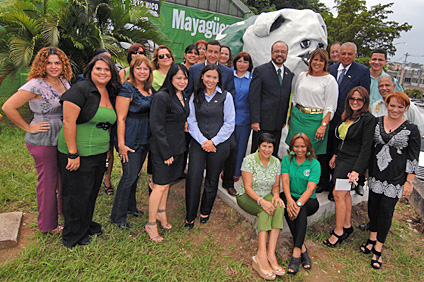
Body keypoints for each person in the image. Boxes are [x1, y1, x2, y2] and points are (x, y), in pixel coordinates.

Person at [2, 47, 72, 234]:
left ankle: (63, 212)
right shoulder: (34, 85)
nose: (53, 66)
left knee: (62, 178)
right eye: (48, 63)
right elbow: (8, 106)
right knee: (48, 182)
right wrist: (28, 127)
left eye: (57, 62)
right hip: (43, 137)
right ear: (42, 64)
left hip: (62, 136)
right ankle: (48, 225)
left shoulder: (64, 82)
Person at [57, 54, 121, 248]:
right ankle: (72, 235)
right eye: (98, 69)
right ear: (90, 71)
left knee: (91, 191)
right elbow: (68, 122)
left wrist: (108, 152)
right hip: (79, 151)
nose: (102, 73)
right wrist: (73, 153)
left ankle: (85, 225)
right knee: (75, 193)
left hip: (99, 151)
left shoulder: (109, 92)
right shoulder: (80, 90)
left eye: (106, 69)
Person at [362, 91, 420, 269]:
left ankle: (378, 247)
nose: (395, 109)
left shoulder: (412, 129)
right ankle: (372, 237)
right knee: (373, 206)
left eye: (400, 107)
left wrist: (409, 181)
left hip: (395, 177)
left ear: (406, 108)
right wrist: (365, 169)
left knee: (386, 211)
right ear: (386, 105)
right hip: (376, 173)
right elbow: (369, 148)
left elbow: (413, 157)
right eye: (392, 105)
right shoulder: (377, 122)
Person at [323, 86, 375, 247]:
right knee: (344, 195)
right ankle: (346, 226)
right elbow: (343, 139)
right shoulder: (348, 116)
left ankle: (338, 232)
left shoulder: (368, 119)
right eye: (352, 98)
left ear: (365, 101)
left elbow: (366, 148)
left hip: (352, 163)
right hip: (342, 159)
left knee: (338, 194)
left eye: (359, 99)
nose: (355, 102)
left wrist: (356, 171)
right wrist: (336, 154)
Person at [185, 64, 235, 229]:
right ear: (202, 77)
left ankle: (205, 210)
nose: (211, 80)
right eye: (208, 76)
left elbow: (229, 123)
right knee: (193, 177)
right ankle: (190, 215)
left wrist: (213, 142)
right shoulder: (194, 96)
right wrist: (203, 142)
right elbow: (191, 121)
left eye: (214, 77)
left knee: (212, 179)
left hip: (218, 145)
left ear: (219, 79)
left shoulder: (226, 97)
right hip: (199, 144)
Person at [146, 63, 190, 241]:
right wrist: (166, 153)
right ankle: (150, 224)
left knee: (166, 184)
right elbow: (156, 126)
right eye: (178, 78)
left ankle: (161, 214)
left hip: (178, 147)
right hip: (162, 149)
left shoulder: (183, 95)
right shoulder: (162, 97)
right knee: (160, 185)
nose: (182, 81)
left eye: (185, 78)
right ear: (170, 78)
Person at [186, 40, 236, 194]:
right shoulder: (194, 70)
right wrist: (186, 120)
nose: (214, 55)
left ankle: (227, 181)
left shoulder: (227, 72)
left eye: (217, 52)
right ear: (205, 52)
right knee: (193, 159)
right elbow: (187, 94)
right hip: (196, 121)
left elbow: (230, 95)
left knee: (232, 146)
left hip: (218, 122)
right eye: (211, 51)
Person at [285, 48, 338, 194]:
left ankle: (309, 184)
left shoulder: (329, 80)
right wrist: (290, 116)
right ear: (310, 61)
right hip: (297, 117)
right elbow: (294, 97)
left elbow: (330, 106)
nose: (317, 63)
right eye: (315, 59)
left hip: (316, 121)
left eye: (321, 60)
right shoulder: (303, 76)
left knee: (311, 153)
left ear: (325, 63)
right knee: (294, 149)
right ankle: (291, 180)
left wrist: (323, 125)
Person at [110, 55, 153, 230]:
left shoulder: (149, 89)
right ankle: (117, 216)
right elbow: (120, 118)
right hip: (129, 136)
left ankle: (130, 206)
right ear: (132, 70)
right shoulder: (127, 88)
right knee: (128, 176)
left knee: (135, 174)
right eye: (138, 68)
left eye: (145, 69)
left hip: (144, 135)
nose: (142, 72)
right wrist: (121, 143)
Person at [325, 42, 371, 200]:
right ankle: (325, 182)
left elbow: (364, 97)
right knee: (328, 152)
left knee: (342, 157)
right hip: (330, 119)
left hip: (349, 122)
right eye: (343, 53)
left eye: (349, 54)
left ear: (355, 55)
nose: (345, 56)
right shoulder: (330, 69)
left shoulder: (362, 71)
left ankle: (336, 188)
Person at [237, 133, 285, 280]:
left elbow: (276, 186)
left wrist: (276, 196)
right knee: (265, 212)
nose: (267, 149)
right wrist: (262, 202)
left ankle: (271, 254)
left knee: (279, 207)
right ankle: (261, 256)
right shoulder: (249, 160)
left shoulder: (276, 162)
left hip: (267, 194)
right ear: (259, 146)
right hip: (248, 196)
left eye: (270, 146)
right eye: (264, 146)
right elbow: (248, 187)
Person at [281, 133, 320, 275]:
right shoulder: (286, 160)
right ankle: (301, 247)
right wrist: (290, 200)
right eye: (296, 146)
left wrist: (297, 204)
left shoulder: (314, 164)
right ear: (291, 147)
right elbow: (285, 182)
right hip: (290, 196)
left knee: (301, 210)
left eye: (303, 146)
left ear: (308, 147)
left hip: (308, 200)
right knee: (286, 205)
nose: (299, 149)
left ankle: (296, 252)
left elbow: (310, 189)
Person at [249, 41, 293, 157]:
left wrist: (283, 120)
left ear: (287, 54)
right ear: (271, 52)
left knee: (273, 152)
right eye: (277, 51)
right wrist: (255, 120)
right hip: (262, 122)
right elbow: (254, 97)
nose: (280, 54)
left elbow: (286, 98)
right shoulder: (260, 71)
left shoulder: (289, 74)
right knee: (258, 152)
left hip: (278, 123)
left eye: (283, 52)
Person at [232, 52, 254, 191]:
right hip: (226, 117)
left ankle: (235, 172)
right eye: (239, 61)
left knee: (240, 147)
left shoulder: (252, 78)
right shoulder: (228, 75)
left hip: (244, 118)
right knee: (226, 146)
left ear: (249, 64)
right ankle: (224, 170)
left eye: (245, 62)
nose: (242, 64)